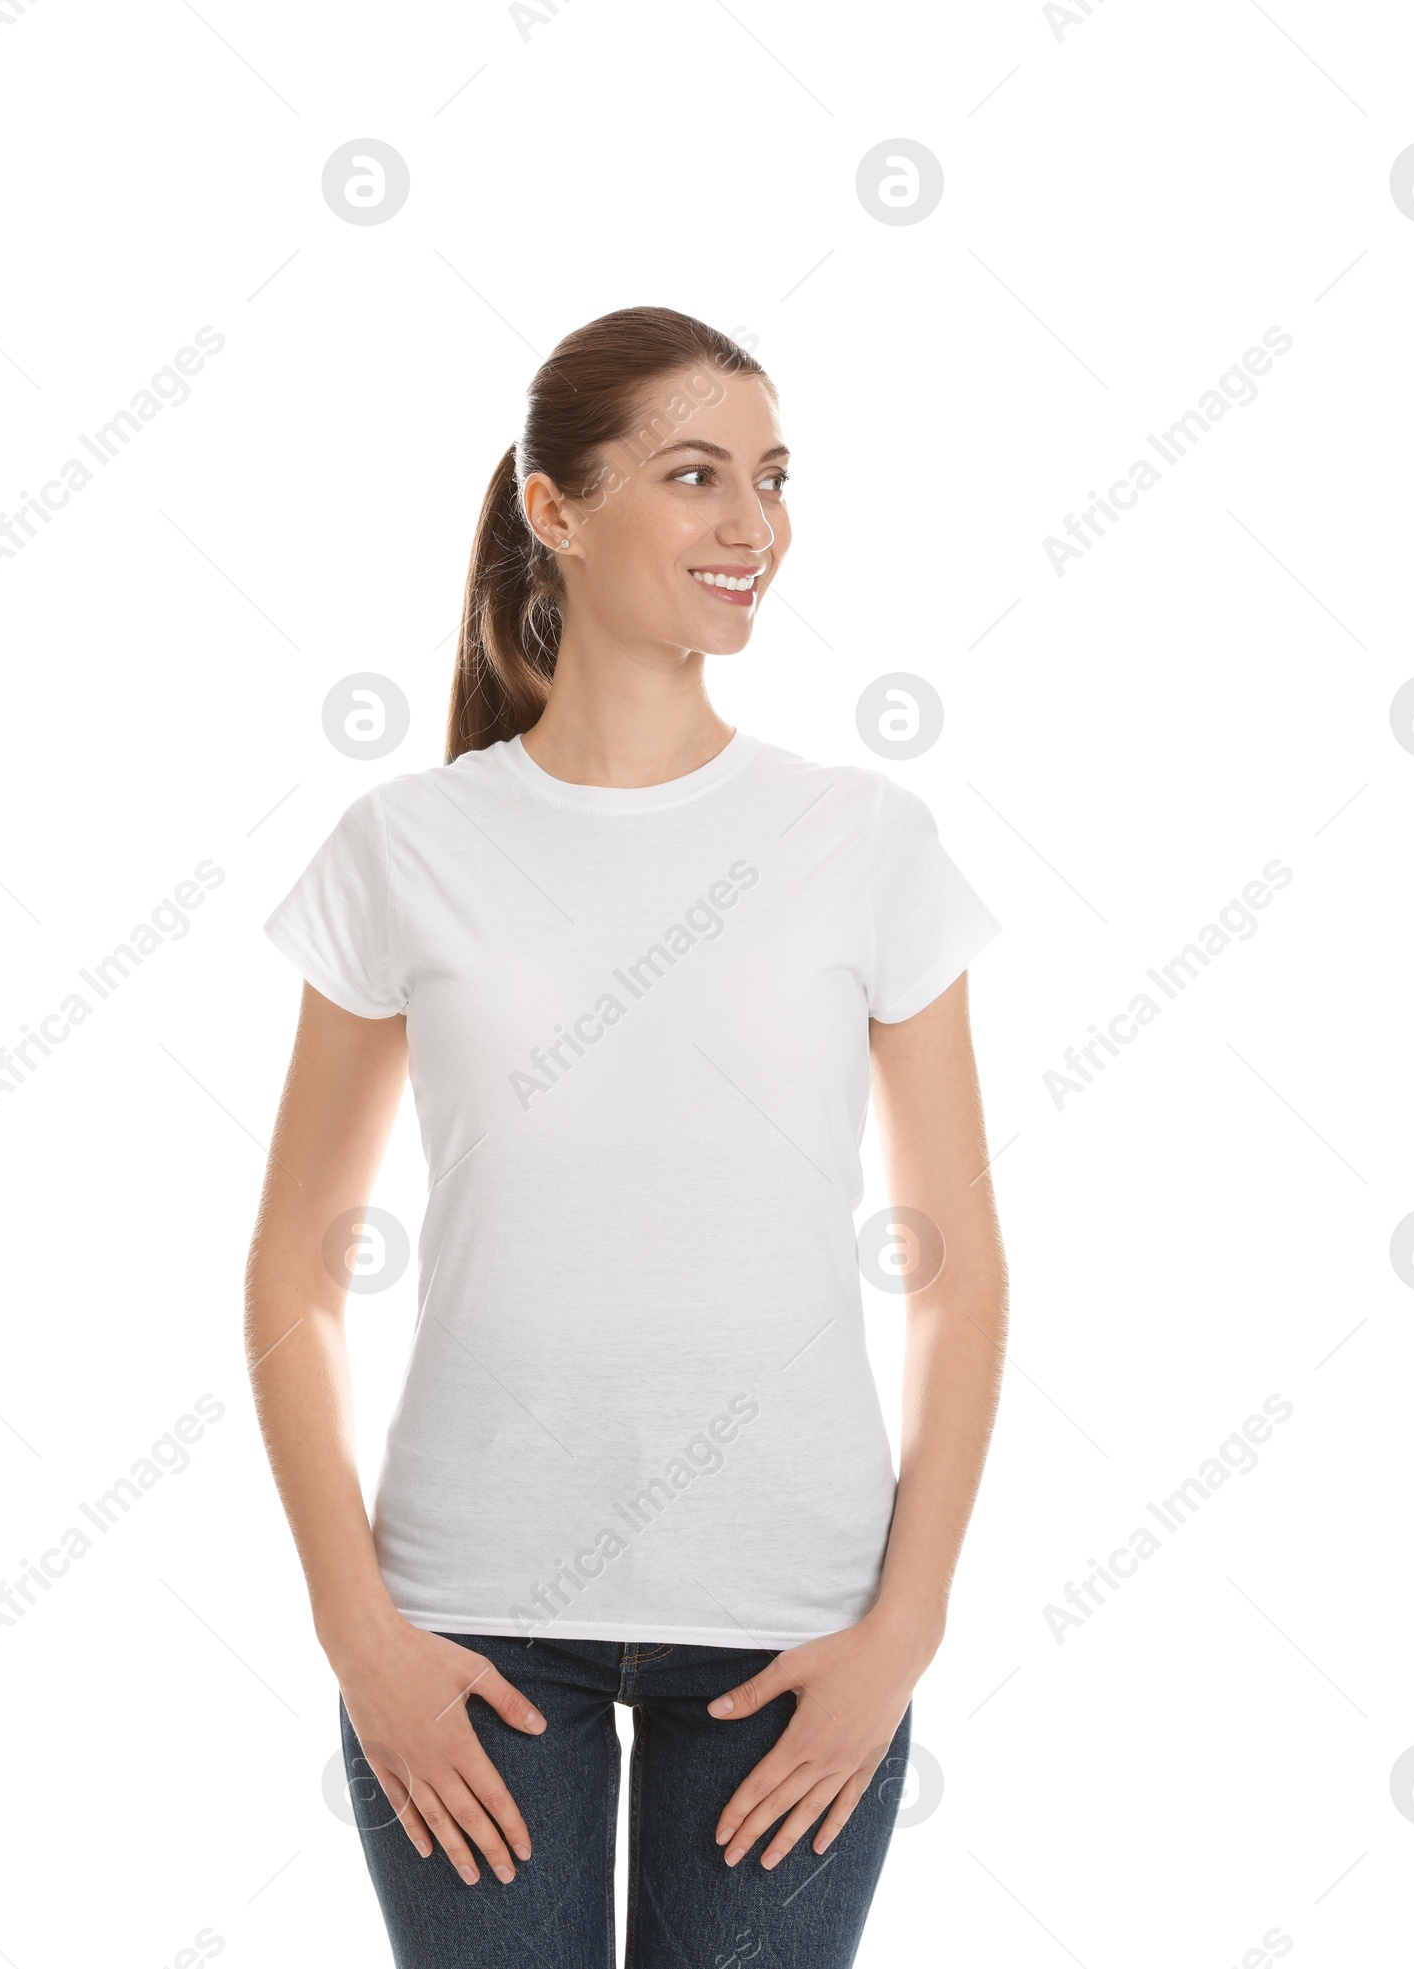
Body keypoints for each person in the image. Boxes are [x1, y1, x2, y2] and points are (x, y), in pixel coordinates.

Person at [247, 305, 1009, 1968]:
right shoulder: (410, 848)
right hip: (472, 1632)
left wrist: (907, 1631)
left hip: (795, 1634)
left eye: (774, 478)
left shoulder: (861, 840)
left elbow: (956, 1271)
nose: (756, 528)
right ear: (555, 508)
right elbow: (296, 1279)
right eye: (695, 476)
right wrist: (358, 1629)